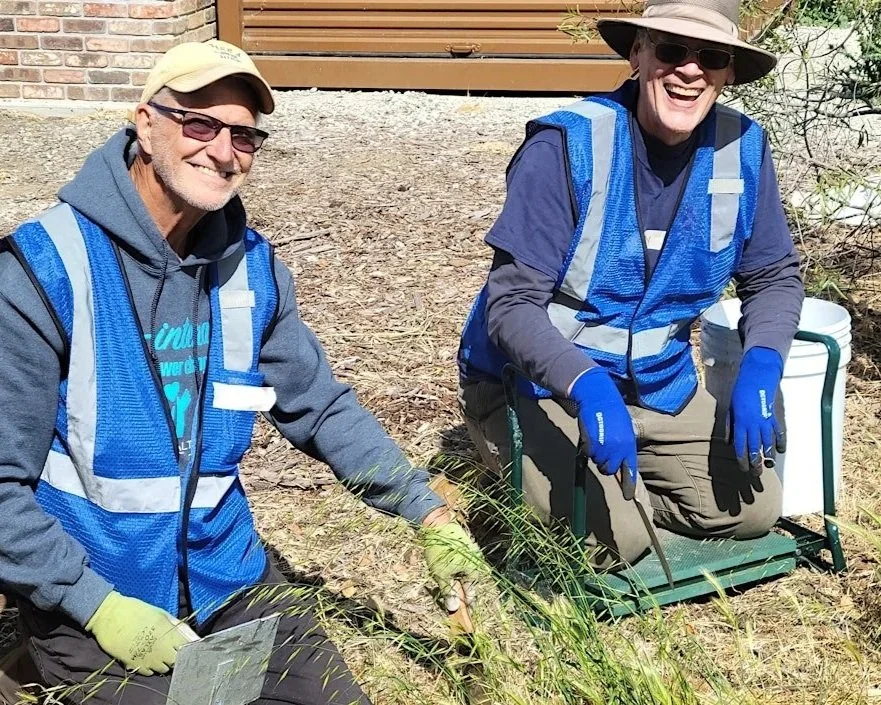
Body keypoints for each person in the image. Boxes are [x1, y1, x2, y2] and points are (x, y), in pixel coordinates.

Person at [0, 40, 482, 704]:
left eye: (244, 136)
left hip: (226, 579)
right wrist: (94, 604)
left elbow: (320, 406)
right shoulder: (44, 272)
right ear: (145, 122)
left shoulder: (247, 269)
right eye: (198, 123)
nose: (223, 151)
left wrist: (423, 510)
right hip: (97, 594)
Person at [458, 0, 804, 569]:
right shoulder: (565, 147)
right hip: (536, 385)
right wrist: (586, 387)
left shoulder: (742, 150)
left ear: (728, 73)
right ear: (638, 54)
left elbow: (773, 275)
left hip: (655, 386)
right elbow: (512, 305)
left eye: (711, 57)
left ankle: (623, 484)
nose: (689, 70)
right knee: (617, 542)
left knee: (754, 510)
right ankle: (518, 471)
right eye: (671, 50)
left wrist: (762, 362)